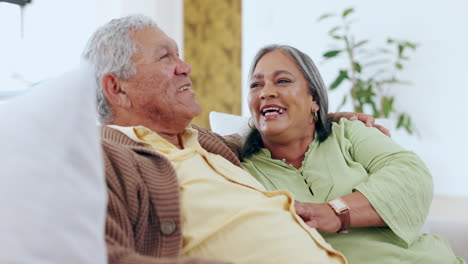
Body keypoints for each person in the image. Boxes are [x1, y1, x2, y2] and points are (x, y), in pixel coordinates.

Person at [82, 14, 389, 264]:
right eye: (165, 57)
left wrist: (320, 114)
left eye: (179, 55)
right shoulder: (102, 156)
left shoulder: (202, 142)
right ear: (117, 89)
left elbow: (261, 126)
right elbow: (91, 254)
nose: (186, 67)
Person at [240, 44, 464, 264]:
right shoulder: (239, 169)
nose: (266, 92)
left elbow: (412, 175)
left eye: (282, 81)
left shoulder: (348, 133)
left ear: (314, 99)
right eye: (255, 85)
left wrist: (336, 212)